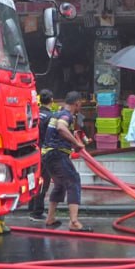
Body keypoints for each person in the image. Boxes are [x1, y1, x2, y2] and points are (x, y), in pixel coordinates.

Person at [43, 91, 90, 231]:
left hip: (47, 155)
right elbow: (61, 127)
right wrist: (76, 143)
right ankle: (74, 222)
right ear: (77, 103)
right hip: (57, 154)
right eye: (80, 104)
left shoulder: (57, 113)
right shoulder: (66, 115)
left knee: (59, 185)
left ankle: (50, 218)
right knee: (73, 181)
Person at [27, 89, 55, 221]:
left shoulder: (35, 113)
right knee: (43, 181)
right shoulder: (51, 117)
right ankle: (37, 211)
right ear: (52, 100)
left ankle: (31, 206)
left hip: (32, 151)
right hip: (45, 152)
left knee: (32, 179)